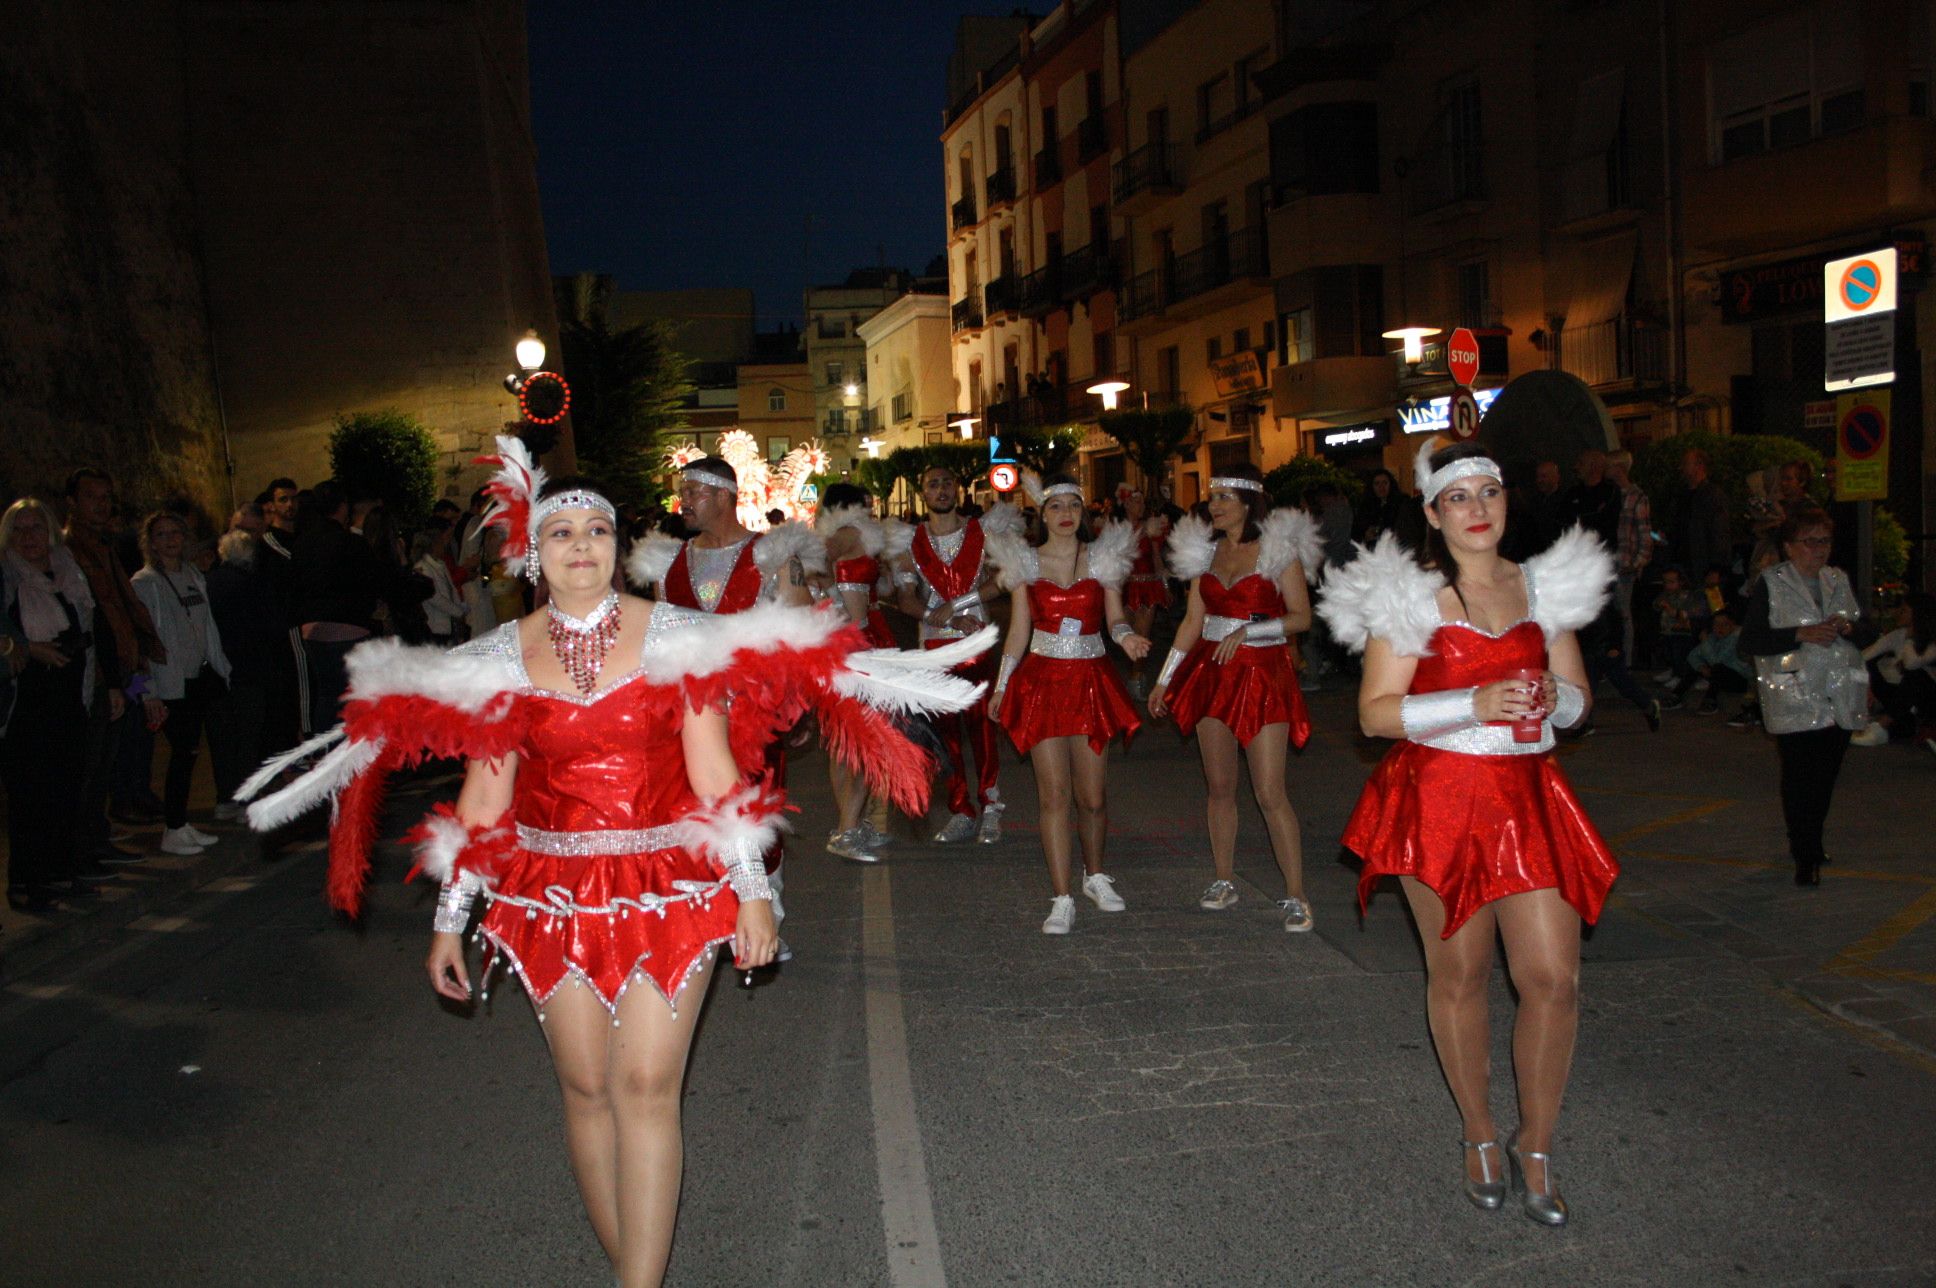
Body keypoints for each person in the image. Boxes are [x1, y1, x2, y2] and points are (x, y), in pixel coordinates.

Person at [237, 443, 982, 1288]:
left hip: (672, 887)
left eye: (597, 529)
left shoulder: (678, 637)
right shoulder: (498, 657)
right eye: (560, 532)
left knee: (646, 1086)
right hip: (549, 896)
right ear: (532, 553)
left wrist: (753, 896)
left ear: (619, 545)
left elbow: (714, 777)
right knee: (587, 1092)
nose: (581, 545)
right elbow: (485, 800)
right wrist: (451, 922)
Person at [1319, 438, 1616, 1227]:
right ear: (1432, 512)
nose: (1478, 508)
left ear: (1507, 501)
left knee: (1553, 978)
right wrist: (1472, 704)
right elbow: (1375, 714)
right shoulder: (1410, 598)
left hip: (1527, 796)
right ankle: (1480, 1131)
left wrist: (1556, 697)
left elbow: (1582, 703)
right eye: (1459, 496)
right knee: (1462, 975)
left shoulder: (1545, 587)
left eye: (1489, 491)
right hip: (1439, 802)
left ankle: (1538, 1142)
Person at [1147, 463, 1320, 932]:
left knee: (1269, 791)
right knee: (1219, 788)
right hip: (1211, 676)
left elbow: (1302, 617)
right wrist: (1165, 679)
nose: (1213, 505)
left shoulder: (1278, 552)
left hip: (1264, 677)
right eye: (1212, 496)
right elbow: (1191, 623)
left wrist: (1251, 630)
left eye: (1223, 496)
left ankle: (1296, 895)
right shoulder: (1202, 554)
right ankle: (1224, 879)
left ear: (1248, 502)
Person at [987, 478, 1148, 934]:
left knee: (1092, 798)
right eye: (1055, 505)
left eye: (1073, 505)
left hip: (1091, 682)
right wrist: (1001, 685)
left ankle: (1094, 875)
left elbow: (1114, 617)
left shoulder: (1103, 558)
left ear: (1084, 512)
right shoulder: (1025, 562)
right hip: (1041, 684)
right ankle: (1061, 897)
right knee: (1053, 796)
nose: (1064, 513)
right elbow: (1018, 630)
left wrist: (1126, 636)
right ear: (1042, 513)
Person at [1740, 510, 1875, 886]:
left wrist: (1848, 627)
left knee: (1826, 776)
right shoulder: (1771, 582)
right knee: (1800, 776)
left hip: (1841, 692)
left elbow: (1867, 632)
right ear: (1789, 547)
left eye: (1824, 541)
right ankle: (1805, 851)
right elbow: (1750, 640)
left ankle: (1811, 839)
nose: (1818, 549)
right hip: (1795, 693)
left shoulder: (1839, 579)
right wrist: (1800, 633)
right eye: (1809, 541)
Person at [894, 464, 1023, 844]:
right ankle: (961, 809)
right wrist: (936, 615)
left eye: (947, 483)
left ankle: (991, 806)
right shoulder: (909, 542)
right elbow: (904, 597)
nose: (942, 489)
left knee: (983, 729)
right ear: (923, 493)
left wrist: (960, 606)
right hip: (935, 650)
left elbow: (1002, 581)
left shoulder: (983, 534)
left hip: (976, 645)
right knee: (945, 737)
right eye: (933, 484)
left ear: (957, 490)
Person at [2, 499, 103, 909]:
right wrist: (27, 647)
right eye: (19, 530)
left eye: (36, 528)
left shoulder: (67, 572)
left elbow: (89, 626)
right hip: (27, 700)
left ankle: (61, 871)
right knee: (31, 796)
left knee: (66, 788)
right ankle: (28, 882)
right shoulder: (6, 577)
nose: (29, 538)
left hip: (68, 693)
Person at [64, 467, 164, 871]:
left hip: (121, 665)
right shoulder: (71, 550)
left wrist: (140, 661)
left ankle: (100, 831)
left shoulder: (104, 547)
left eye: (106, 497)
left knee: (114, 752)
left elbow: (121, 607)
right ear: (72, 502)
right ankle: (86, 842)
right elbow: (95, 615)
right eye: (93, 497)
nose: (101, 505)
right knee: (93, 761)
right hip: (99, 673)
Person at [814, 483, 908, 863]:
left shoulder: (856, 536)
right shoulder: (848, 533)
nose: (871, 507)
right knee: (865, 741)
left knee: (844, 743)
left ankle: (847, 826)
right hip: (859, 642)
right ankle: (848, 829)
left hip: (861, 636)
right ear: (846, 507)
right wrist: (824, 592)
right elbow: (808, 566)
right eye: (864, 502)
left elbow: (874, 587)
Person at [130, 511, 232, 855]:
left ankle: (180, 823)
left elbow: (207, 627)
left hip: (197, 676)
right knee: (182, 752)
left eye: (175, 533)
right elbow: (141, 641)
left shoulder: (192, 575)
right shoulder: (144, 583)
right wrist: (148, 692)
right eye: (161, 534)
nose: (170, 540)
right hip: (170, 682)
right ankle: (172, 828)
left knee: (190, 752)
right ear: (150, 542)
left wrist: (222, 666)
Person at [204, 529, 282, 818]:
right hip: (250, 669)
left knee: (222, 737)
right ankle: (245, 795)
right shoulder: (255, 585)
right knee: (248, 736)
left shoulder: (208, 583)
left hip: (215, 671)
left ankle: (225, 796)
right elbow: (273, 625)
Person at [1855, 593, 1936, 746]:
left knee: (1915, 675)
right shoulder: (1897, 635)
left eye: (1904, 610)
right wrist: (1867, 685)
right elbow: (1862, 657)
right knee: (1870, 665)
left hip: (1927, 697)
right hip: (1903, 697)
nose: (1898, 613)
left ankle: (1881, 725)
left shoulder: (1932, 640)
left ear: (1918, 614)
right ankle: (1882, 728)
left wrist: (1910, 639)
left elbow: (1911, 664)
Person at [1118, 488, 1170, 699]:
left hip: (1147, 587)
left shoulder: (1152, 528)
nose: (1140, 506)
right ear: (1126, 504)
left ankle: (1136, 677)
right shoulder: (1117, 529)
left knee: (1142, 636)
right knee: (1126, 637)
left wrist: (1164, 584)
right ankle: (1131, 675)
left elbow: (1157, 559)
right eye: (1136, 501)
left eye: (1141, 502)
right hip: (1125, 588)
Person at [1666, 448, 1732, 582]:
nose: (1681, 467)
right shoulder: (1681, 495)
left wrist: (1716, 568)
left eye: (1685, 463)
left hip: (1703, 566)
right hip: (1684, 566)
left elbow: (1720, 531)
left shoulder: (1712, 495)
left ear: (1699, 465)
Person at [411, 518, 468, 644]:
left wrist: (459, 608)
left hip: (447, 625)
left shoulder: (440, 565)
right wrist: (458, 611)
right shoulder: (423, 567)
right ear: (434, 545)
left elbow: (451, 589)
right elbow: (434, 597)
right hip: (435, 626)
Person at [1352, 468, 1423, 551]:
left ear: (1390, 484)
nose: (1381, 487)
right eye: (1377, 483)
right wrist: (1365, 535)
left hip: (1396, 550)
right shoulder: (1365, 507)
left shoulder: (1401, 503)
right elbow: (1355, 533)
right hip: (1372, 551)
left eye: (1385, 483)